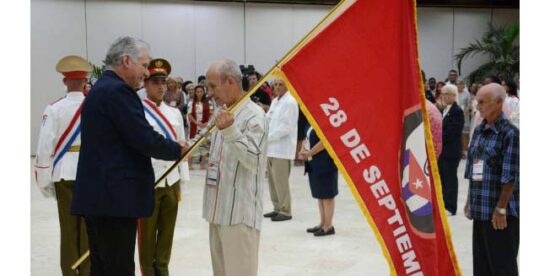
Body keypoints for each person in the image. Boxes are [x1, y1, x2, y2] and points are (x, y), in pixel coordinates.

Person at [71, 36, 187, 275]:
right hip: (114, 200)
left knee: (103, 267)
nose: (146, 73)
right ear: (126, 60)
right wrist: (177, 149)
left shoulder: (103, 87)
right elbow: (142, 137)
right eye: (144, 65)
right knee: (118, 268)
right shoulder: (118, 92)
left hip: (102, 198)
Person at [203, 59, 268, 276]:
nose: (209, 93)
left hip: (239, 216)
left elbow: (255, 160)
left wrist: (230, 130)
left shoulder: (254, 115)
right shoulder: (222, 111)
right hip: (217, 210)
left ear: (230, 81)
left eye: (213, 86)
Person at [34, 55, 92, 276]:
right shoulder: (95, 105)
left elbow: (44, 146)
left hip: (64, 173)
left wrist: (43, 180)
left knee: (68, 230)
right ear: (85, 80)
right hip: (90, 173)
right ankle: (87, 271)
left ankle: (69, 272)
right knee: (88, 228)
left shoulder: (54, 108)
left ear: (64, 81)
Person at [138, 58, 191, 276]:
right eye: (155, 82)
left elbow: (182, 146)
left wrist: (183, 179)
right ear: (145, 84)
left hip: (171, 181)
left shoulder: (174, 113)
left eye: (163, 82)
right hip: (150, 182)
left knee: (167, 235)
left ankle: (163, 270)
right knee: (147, 238)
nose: (161, 86)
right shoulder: (137, 111)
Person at [463, 83, 519, 276]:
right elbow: (472, 167)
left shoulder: (510, 133)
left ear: (499, 102)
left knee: (502, 266)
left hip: (499, 213)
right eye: (477, 101)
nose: (478, 106)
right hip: (480, 210)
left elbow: (510, 175)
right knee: (482, 265)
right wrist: (470, 200)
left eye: (482, 102)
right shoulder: (479, 130)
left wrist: (501, 208)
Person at [263, 78, 299, 222]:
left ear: (287, 86)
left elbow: (286, 127)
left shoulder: (290, 103)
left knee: (281, 181)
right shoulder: (275, 101)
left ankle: (285, 210)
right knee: (272, 181)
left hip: (282, 149)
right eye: (275, 85)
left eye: (280, 85)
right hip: (270, 148)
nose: (277, 87)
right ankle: (277, 207)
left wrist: (269, 137)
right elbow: (268, 119)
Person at [299, 125, 338, 236]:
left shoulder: (325, 122)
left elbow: (324, 142)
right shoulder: (310, 121)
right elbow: (305, 138)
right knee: (320, 195)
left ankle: (328, 226)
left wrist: (309, 153)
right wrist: (302, 151)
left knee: (327, 196)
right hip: (313, 163)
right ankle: (322, 223)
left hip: (325, 163)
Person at [439, 84, 464, 216]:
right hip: (443, 151)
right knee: (442, 178)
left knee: (450, 179)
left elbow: (453, 131)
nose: (443, 97)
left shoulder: (457, 111)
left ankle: (451, 206)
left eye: (446, 94)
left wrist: (437, 136)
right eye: (442, 94)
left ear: (453, 96)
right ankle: (443, 203)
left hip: (451, 151)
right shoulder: (444, 110)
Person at [188, 85, 212, 169]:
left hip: (205, 126)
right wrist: (196, 122)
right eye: (197, 91)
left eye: (201, 91)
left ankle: (202, 164)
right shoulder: (191, 102)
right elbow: (189, 114)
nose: (199, 93)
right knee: (192, 145)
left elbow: (211, 114)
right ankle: (190, 164)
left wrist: (206, 123)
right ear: (195, 92)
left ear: (203, 92)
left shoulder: (208, 102)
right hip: (195, 126)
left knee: (204, 145)